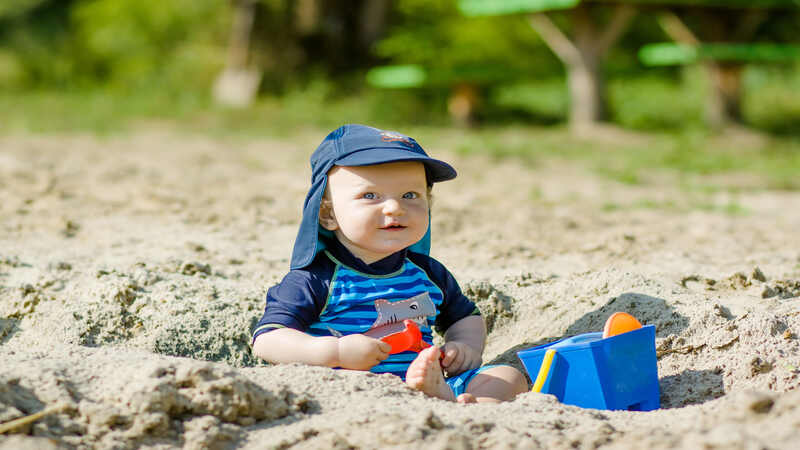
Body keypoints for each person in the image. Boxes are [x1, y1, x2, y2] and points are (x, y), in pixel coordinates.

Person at [251, 124, 528, 403]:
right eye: (370, 196)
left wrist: (464, 346)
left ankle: (467, 404)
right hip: (346, 389)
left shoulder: (429, 273)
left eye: (410, 195)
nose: (395, 208)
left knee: (507, 376)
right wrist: (335, 352)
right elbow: (268, 339)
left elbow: (465, 317)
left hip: (425, 383)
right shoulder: (315, 279)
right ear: (327, 215)